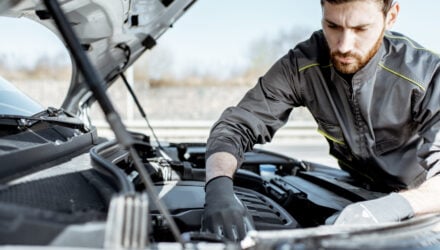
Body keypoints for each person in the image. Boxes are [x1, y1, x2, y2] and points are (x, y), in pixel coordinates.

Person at [201, 0, 440, 242]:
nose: (344, 46)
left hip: (423, 205)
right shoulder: (302, 65)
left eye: (360, 29)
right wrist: (218, 188)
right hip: (353, 190)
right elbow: (236, 126)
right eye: (333, 25)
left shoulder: (426, 74)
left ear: (391, 16)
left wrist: (391, 207)